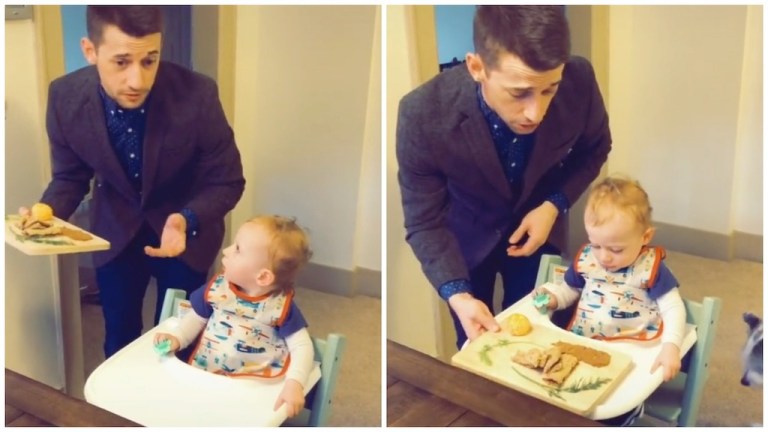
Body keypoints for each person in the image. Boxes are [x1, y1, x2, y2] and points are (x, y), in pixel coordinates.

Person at [28, 6, 245, 357]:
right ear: (90, 50)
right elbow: (70, 175)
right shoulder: (65, 98)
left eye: (149, 61)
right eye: (121, 62)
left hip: (184, 236)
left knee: (180, 337)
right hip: (115, 232)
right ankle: (119, 414)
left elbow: (228, 180)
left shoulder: (198, 95)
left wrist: (186, 218)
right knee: (119, 336)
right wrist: (47, 212)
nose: (137, 81)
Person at [396, 5, 611, 348]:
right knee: (476, 344)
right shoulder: (422, 113)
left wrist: (554, 204)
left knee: (538, 338)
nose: (535, 112)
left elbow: (595, 149)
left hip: (540, 235)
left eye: (549, 90)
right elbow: (423, 221)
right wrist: (457, 295)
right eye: (519, 92)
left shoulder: (579, 80)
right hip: (464, 243)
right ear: (477, 67)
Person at [533, 176, 686, 426]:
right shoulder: (588, 259)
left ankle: (627, 414)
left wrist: (672, 346)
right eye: (596, 245)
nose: (604, 257)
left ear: (646, 236)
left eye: (616, 249)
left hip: (631, 346)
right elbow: (571, 289)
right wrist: (554, 299)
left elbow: (673, 307)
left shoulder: (650, 268)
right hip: (586, 340)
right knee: (567, 388)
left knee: (618, 400)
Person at [153, 215, 314, 418]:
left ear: (263, 276)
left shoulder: (280, 307)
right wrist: (178, 338)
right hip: (207, 376)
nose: (226, 250)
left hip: (251, 387)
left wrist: (295, 383)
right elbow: (196, 318)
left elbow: (301, 346)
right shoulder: (217, 289)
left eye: (237, 249)